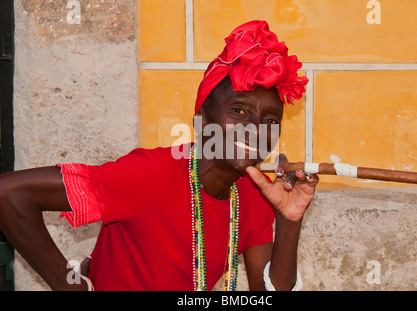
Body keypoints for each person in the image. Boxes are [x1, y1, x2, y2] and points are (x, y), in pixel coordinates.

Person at [0, 20, 317, 291]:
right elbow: (9, 193)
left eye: (271, 121)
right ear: (201, 121)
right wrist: (71, 286)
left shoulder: (254, 193)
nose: (256, 130)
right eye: (239, 111)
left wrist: (290, 221)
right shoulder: (149, 174)